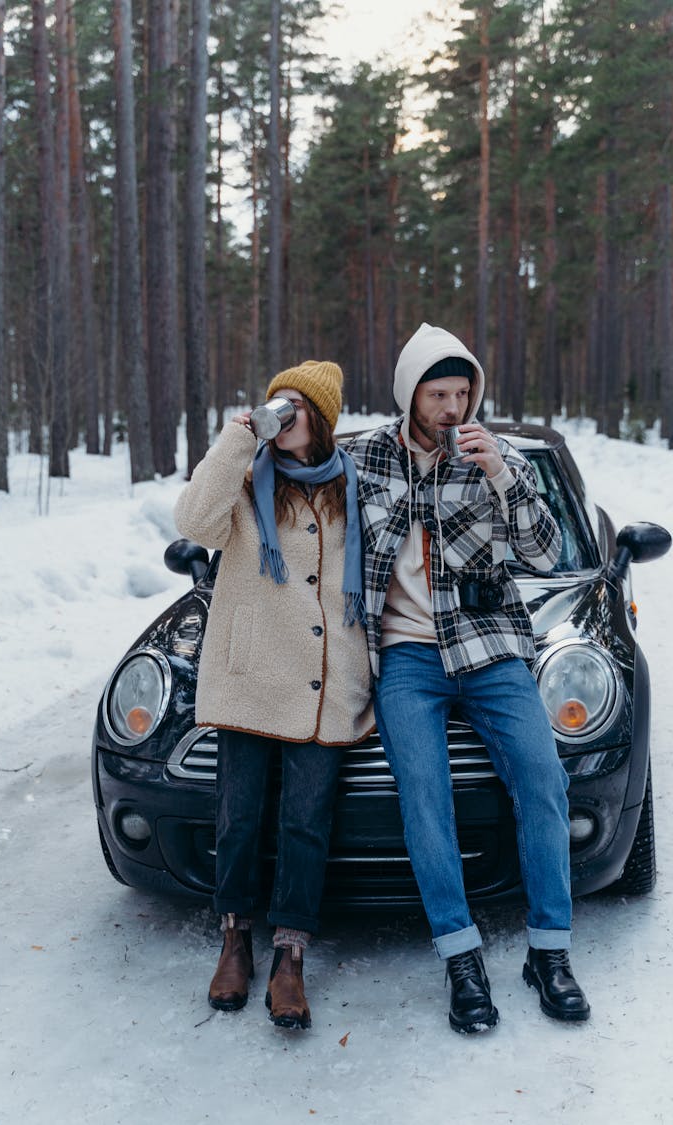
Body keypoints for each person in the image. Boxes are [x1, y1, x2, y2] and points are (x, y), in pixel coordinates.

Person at [346, 323, 590, 1033]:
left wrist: (502, 477)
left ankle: (549, 952)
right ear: (410, 394)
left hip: (489, 646)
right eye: (438, 393)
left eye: (463, 392)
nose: (452, 408)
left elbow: (546, 553)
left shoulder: (499, 456)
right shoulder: (363, 459)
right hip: (405, 657)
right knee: (424, 794)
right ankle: (461, 957)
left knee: (544, 779)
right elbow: (303, 508)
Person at [174, 360, 372, 1031]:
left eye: (297, 405)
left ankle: (290, 955)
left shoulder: (352, 484)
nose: (284, 413)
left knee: (306, 822)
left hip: (324, 679)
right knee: (238, 816)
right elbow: (194, 520)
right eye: (276, 403)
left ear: (321, 417)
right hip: (252, 672)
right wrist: (238, 438)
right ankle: (235, 939)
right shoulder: (246, 480)